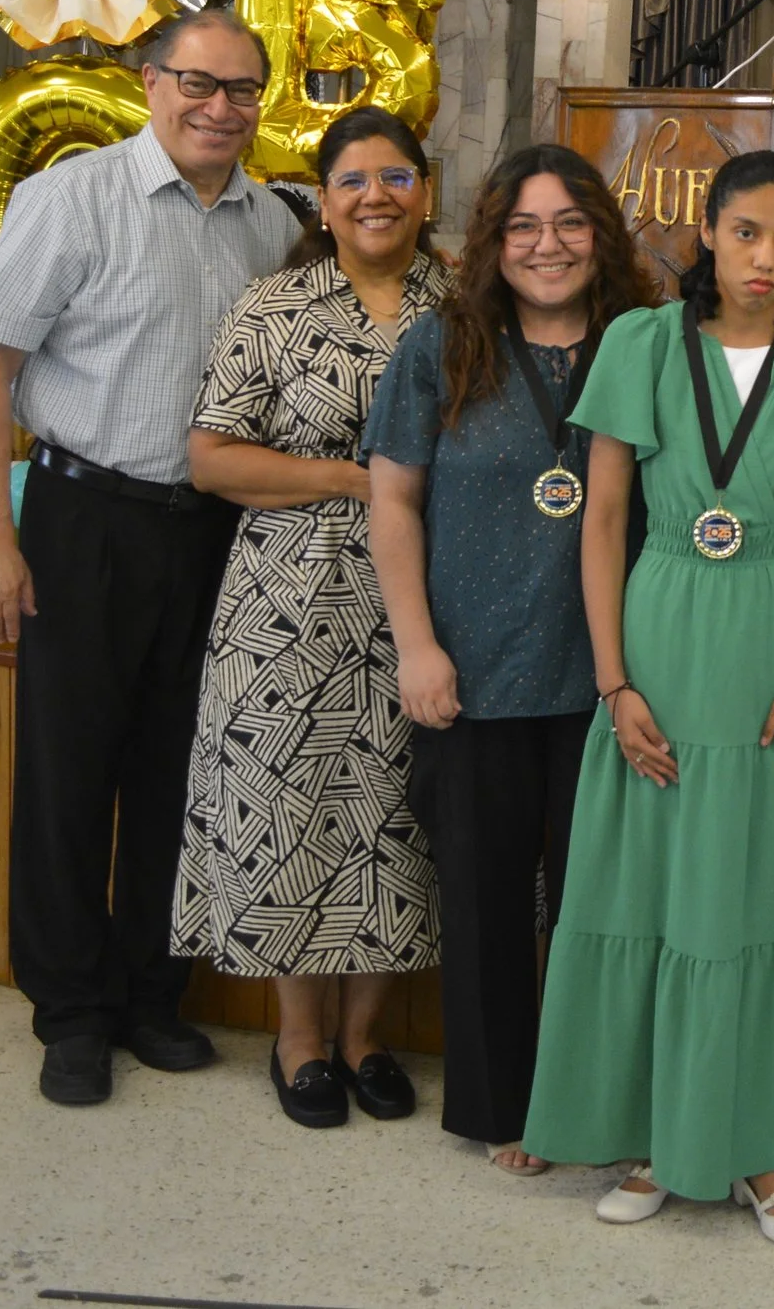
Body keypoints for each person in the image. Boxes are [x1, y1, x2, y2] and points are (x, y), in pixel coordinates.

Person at [523, 150, 774, 1249]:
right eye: (744, 233)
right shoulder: (642, 341)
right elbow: (602, 520)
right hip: (666, 629)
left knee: (768, 893)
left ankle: (762, 1148)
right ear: (709, 233)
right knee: (654, 886)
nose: (764, 257)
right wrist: (614, 681)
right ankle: (651, 1136)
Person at [0, 8, 299, 1105]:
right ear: (152, 82)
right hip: (85, 520)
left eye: (241, 89)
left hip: (211, 531)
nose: (219, 108)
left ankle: (152, 993)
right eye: (199, 82)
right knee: (69, 772)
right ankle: (69, 1010)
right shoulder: (75, 197)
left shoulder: (271, 222)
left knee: (178, 773)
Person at [364, 144, 656, 1171]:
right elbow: (392, 501)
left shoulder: (646, 343)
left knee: (599, 906)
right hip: (474, 668)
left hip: (612, 677)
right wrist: (417, 645)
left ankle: (590, 1102)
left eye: (570, 222)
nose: (547, 245)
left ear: (601, 235)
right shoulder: (442, 347)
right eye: (524, 226)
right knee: (484, 904)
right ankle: (502, 1110)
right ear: (494, 240)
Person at [170, 105, 449, 1129]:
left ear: (426, 192)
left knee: (393, 815)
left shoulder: (465, 307)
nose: (376, 195)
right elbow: (211, 458)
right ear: (322, 204)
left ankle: (367, 1036)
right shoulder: (274, 304)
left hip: (425, 601)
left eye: (397, 176)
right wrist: (355, 479)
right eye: (353, 180)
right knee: (291, 805)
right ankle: (298, 1039)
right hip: (289, 599)